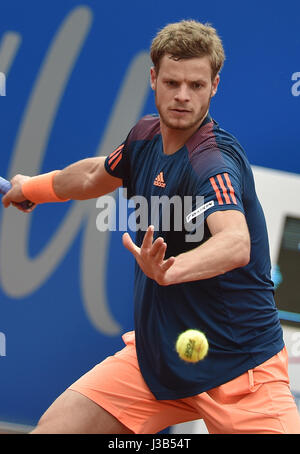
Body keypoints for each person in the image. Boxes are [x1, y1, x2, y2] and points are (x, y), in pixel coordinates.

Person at [3, 20, 300, 434]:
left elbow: (235, 242)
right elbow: (92, 176)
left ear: (214, 86)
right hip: (158, 358)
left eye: (196, 85)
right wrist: (30, 188)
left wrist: (172, 269)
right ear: (153, 78)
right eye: (172, 82)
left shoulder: (211, 161)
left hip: (241, 369)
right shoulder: (143, 138)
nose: (182, 96)